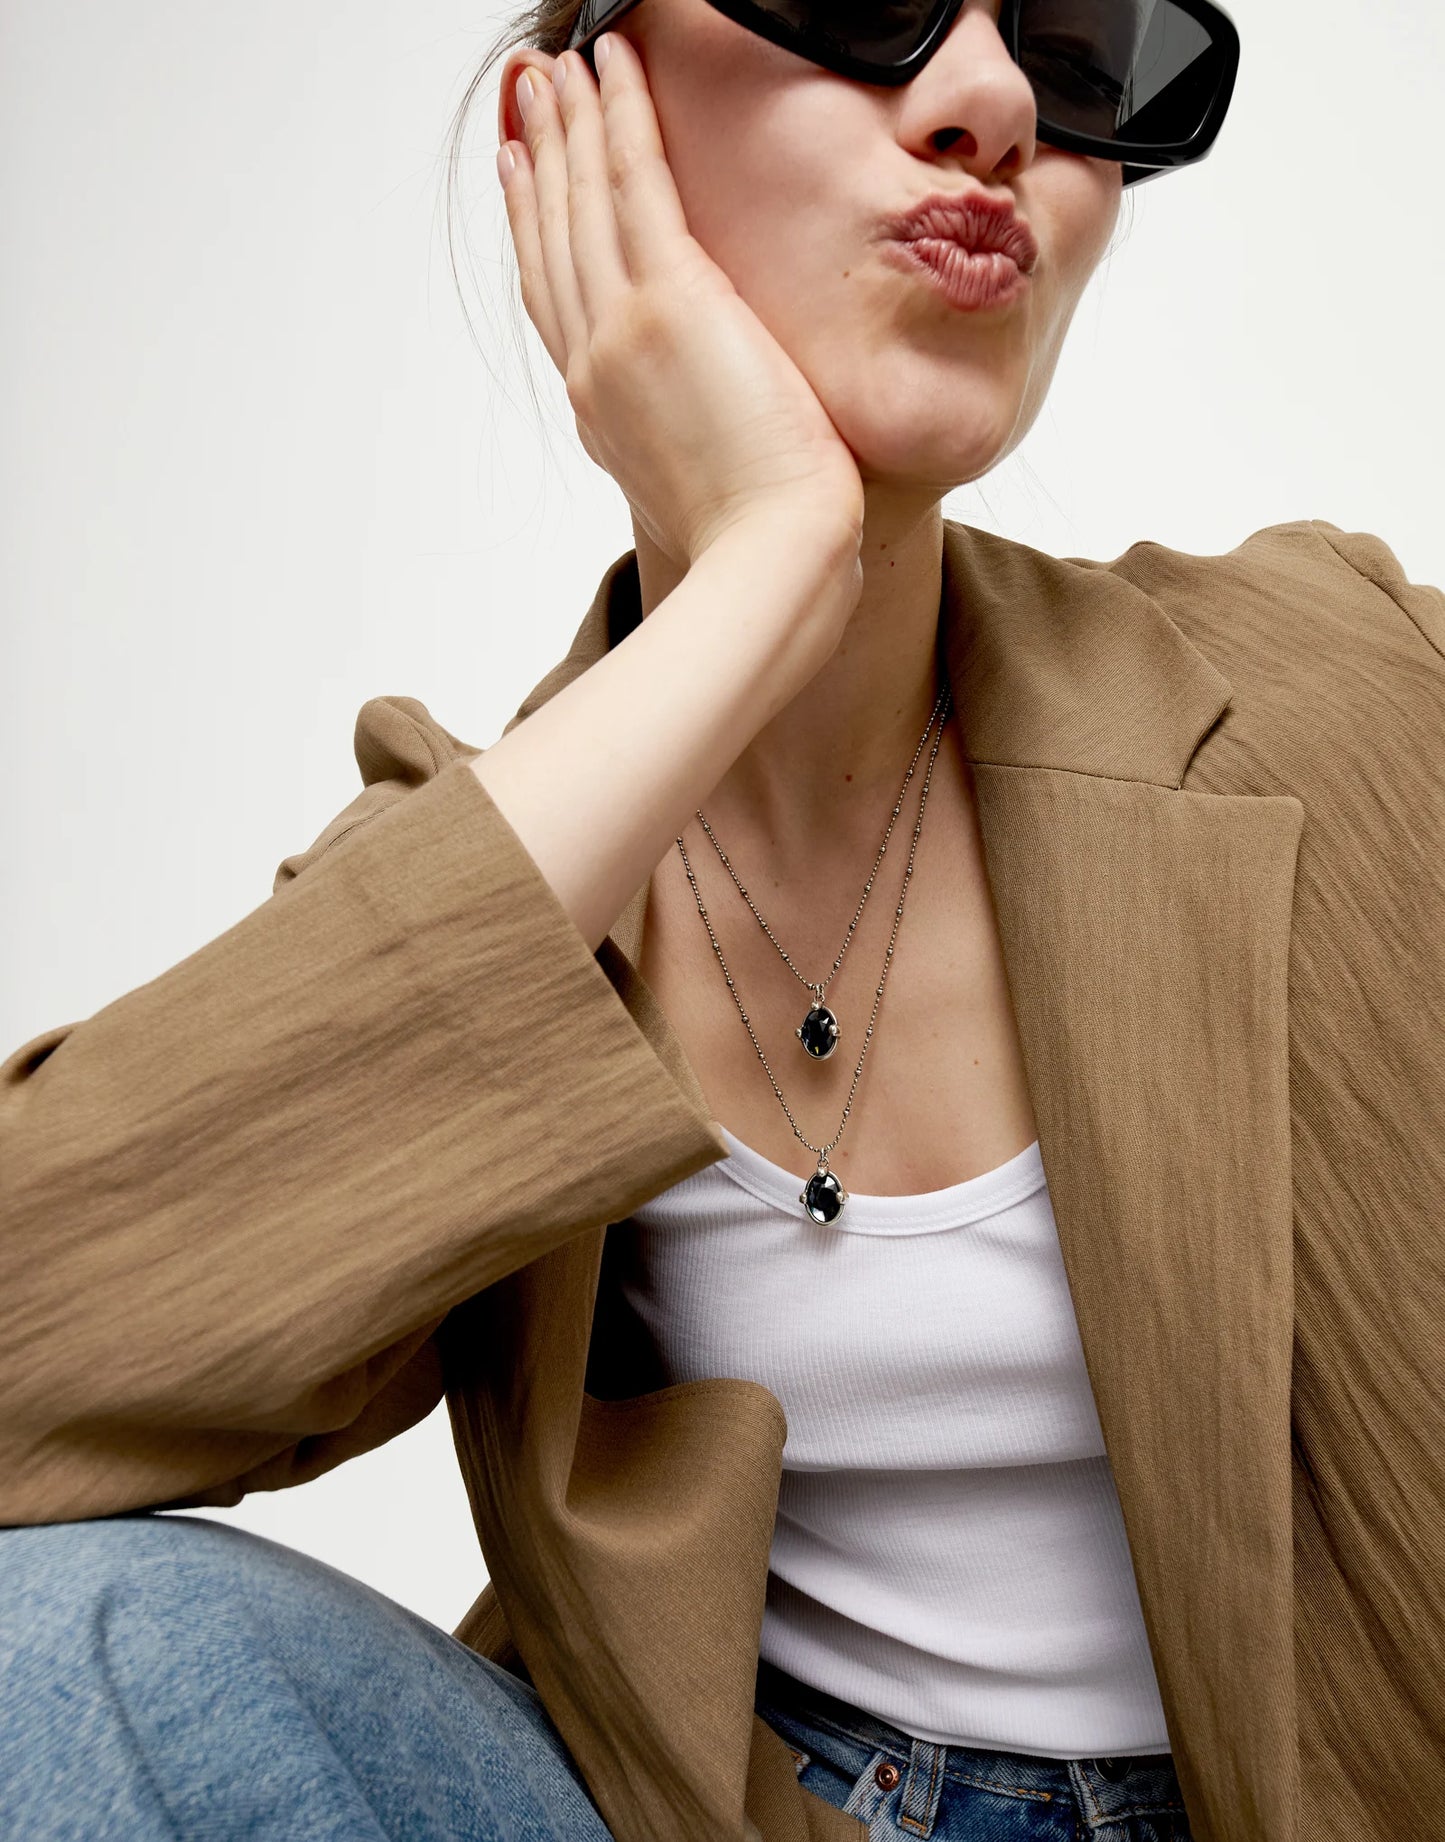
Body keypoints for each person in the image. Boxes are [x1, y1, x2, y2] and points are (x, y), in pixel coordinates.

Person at [2, 2, 1441, 1839]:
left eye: (1082, 45)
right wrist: (765, 560)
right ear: (579, 116)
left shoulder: (1353, 686)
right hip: (758, 1804)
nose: (993, 102)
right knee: (53, 1642)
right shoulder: (516, 863)